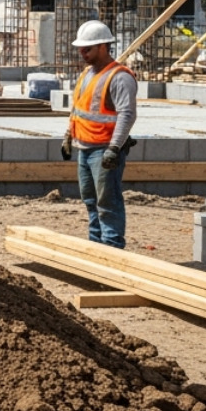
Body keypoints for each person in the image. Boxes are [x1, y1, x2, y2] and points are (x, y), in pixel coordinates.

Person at [60, 20, 136, 248]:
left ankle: (112, 251)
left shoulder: (119, 77)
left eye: (87, 49)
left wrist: (114, 148)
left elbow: (127, 114)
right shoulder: (86, 74)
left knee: (107, 203)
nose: (82, 53)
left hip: (103, 150)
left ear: (103, 46)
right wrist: (68, 135)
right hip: (84, 148)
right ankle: (95, 249)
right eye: (80, 49)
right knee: (91, 201)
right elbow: (78, 108)